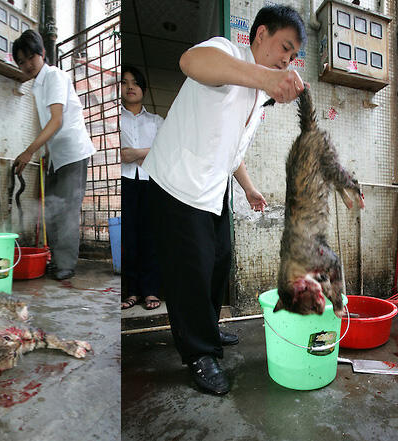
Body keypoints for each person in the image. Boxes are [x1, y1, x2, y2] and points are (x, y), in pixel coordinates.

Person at [143, 5, 306, 395]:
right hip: (177, 183)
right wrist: (267, 76)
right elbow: (190, 60)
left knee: (219, 259)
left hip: (212, 188)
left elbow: (232, 152)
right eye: (284, 47)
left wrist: (248, 188)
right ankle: (198, 354)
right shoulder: (227, 54)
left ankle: (209, 326)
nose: (287, 59)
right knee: (191, 274)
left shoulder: (254, 96)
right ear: (261, 34)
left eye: (293, 55)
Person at [12, 30, 96, 281]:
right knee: (54, 209)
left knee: (67, 209)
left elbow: (57, 121)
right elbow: (47, 123)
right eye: (21, 61)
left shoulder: (54, 76)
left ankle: (66, 264)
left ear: (42, 54)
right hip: (57, 156)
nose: (27, 65)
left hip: (72, 152)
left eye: (30, 58)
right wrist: (46, 154)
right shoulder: (37, 86)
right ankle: (58, 260)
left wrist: (29, 151)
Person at [120, 66, 163, 311]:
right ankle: (132, 291)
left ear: (144, 89)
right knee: (129, 237)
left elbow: (167, 148)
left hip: (150, 182)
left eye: (135, 83)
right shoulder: (114, 118)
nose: (130, 87)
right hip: (124, 182)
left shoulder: (156, 121)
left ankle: (151, 290)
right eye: (125, 82)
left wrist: (135, 153)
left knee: (151, 236)